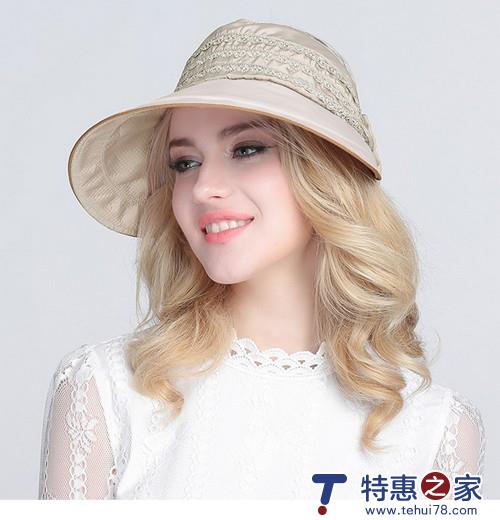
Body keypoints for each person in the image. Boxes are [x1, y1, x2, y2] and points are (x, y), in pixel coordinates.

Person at [38, 18, 485, 500]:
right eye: (185, 163)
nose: (203, 188)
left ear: (326, 173)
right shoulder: (107, 390)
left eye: (247, 149)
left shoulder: (434, 429)